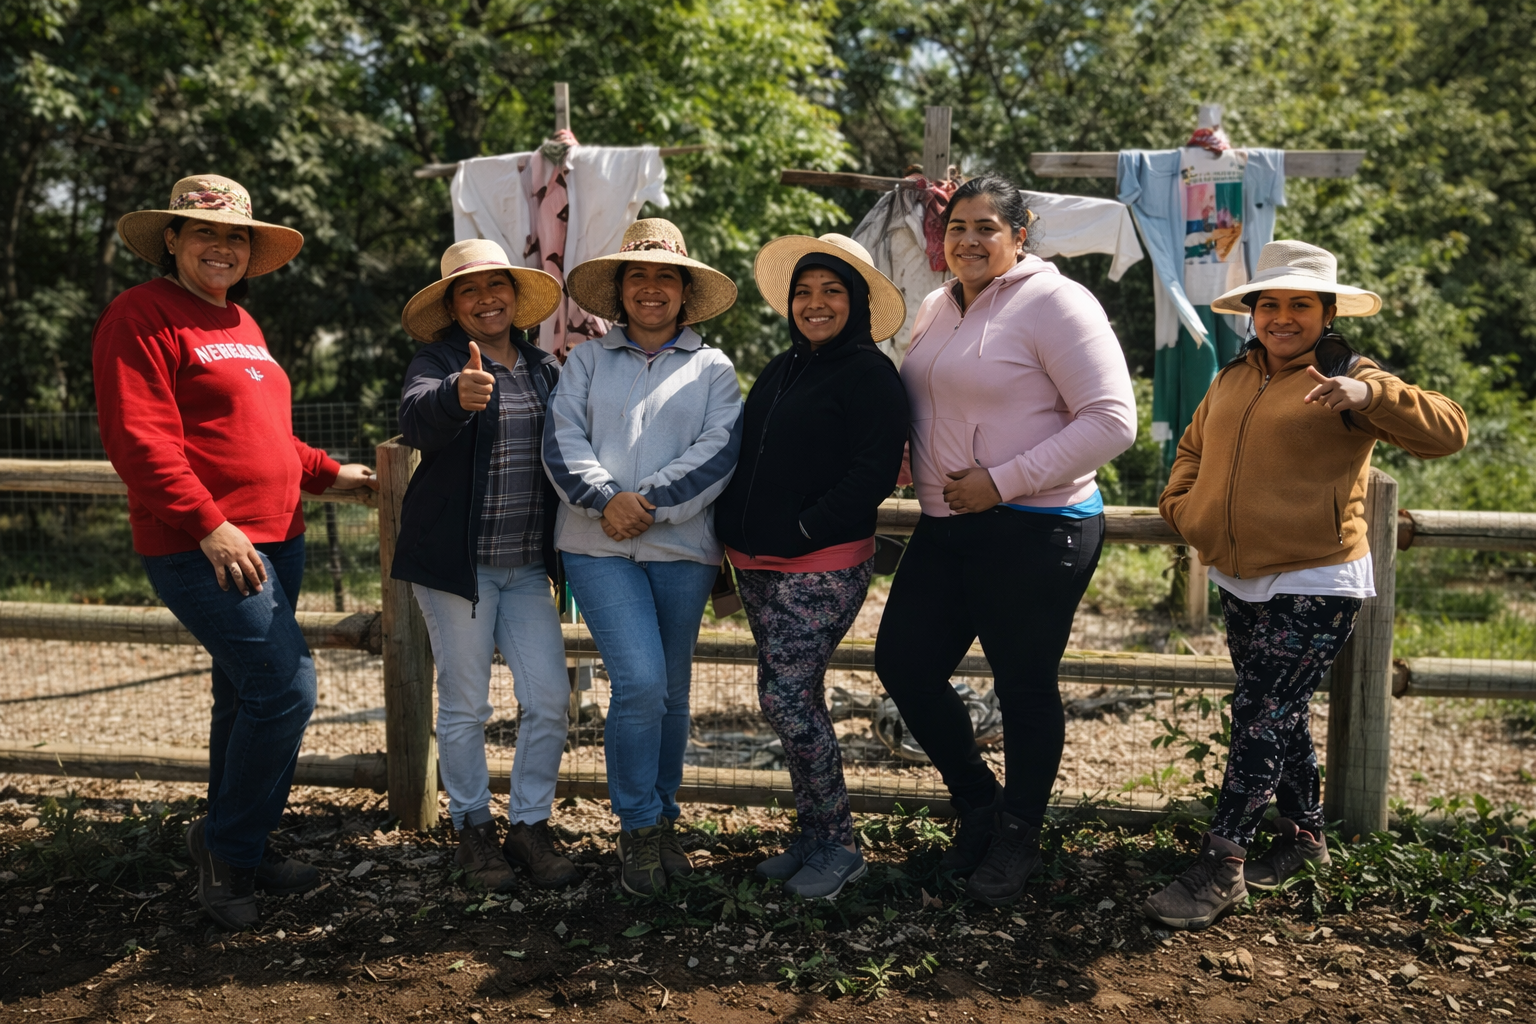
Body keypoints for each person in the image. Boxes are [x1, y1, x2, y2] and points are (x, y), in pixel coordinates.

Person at [1146, 240, 1467, 930]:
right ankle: (1303, 838)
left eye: (1300, 305)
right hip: (1239, 575)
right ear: (1254, 312)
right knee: (1277, 711)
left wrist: (1368, 393)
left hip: (1318, 575)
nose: (1282, 317)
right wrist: (1184, 509)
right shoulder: (1233, 376)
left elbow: (1448, 432)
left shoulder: (1349, 374)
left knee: (1260, 712)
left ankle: (1223, 864)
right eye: (1270, 304)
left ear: (1327, 314)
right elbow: (1194, 450)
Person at [93, 174, 378, 930]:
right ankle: (229, 850)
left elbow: (264, 438)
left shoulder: (242, 322)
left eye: (236, 237)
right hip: (205, 545)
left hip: (279, 537)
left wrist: (332, 475)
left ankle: (234, 841)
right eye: (205, 232)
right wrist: (209, 525)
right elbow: (138, 439)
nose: (222, 247)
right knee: (287, 689)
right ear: (173, 240)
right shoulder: (141, 314)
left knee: (245, 697)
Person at [873, 174, 1138, 906]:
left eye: (987, 227)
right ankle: (979, 804)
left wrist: (1003, 480)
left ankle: (1019, 834)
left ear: (1020, 236)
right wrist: (905, 455)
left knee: (1022, 685)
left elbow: (1112, 419)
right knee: (904, 663)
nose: (969, 240)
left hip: (1037, 524)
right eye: (957, 227)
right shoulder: (937, 305)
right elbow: (935, 403)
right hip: (949, 522)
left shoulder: (1057, 303)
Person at [544, 219, 742, 896]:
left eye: (664, 276)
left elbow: (719, 450)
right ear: (620, 289)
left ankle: (662, 819)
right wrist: (607, 501)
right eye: (638, 275)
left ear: (684, 291)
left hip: (683, 548)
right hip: (596, 545)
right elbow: (561, 439)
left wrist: (649, 502)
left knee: (672, 690)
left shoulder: (714, 368)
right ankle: (636, 827)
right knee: (640, 682)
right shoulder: (585, 362)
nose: (650, 288)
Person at [713, 233, 908, 899]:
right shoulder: (782, 367)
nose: (815, 303)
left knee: (785, 699)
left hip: (820, 563)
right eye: (804, 291)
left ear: (857, 302)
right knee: (796, 699)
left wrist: (803, 528)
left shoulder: (871, 374)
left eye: (831, 291)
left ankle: (841, 846)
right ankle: (815, 834)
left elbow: (871, 474)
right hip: (758, 563)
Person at [392, 239, 580, 892]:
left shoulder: (544, 367)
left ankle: (528, 826)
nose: (485, 299)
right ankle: (472, 830)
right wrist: (456, 394)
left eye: (495, 285)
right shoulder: (439, 362)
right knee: (467, 705)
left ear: (514, 295)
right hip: (457, 567)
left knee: (549, 699)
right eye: (468, 290)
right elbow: (416, 418)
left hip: (526, 567)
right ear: (452, 307)